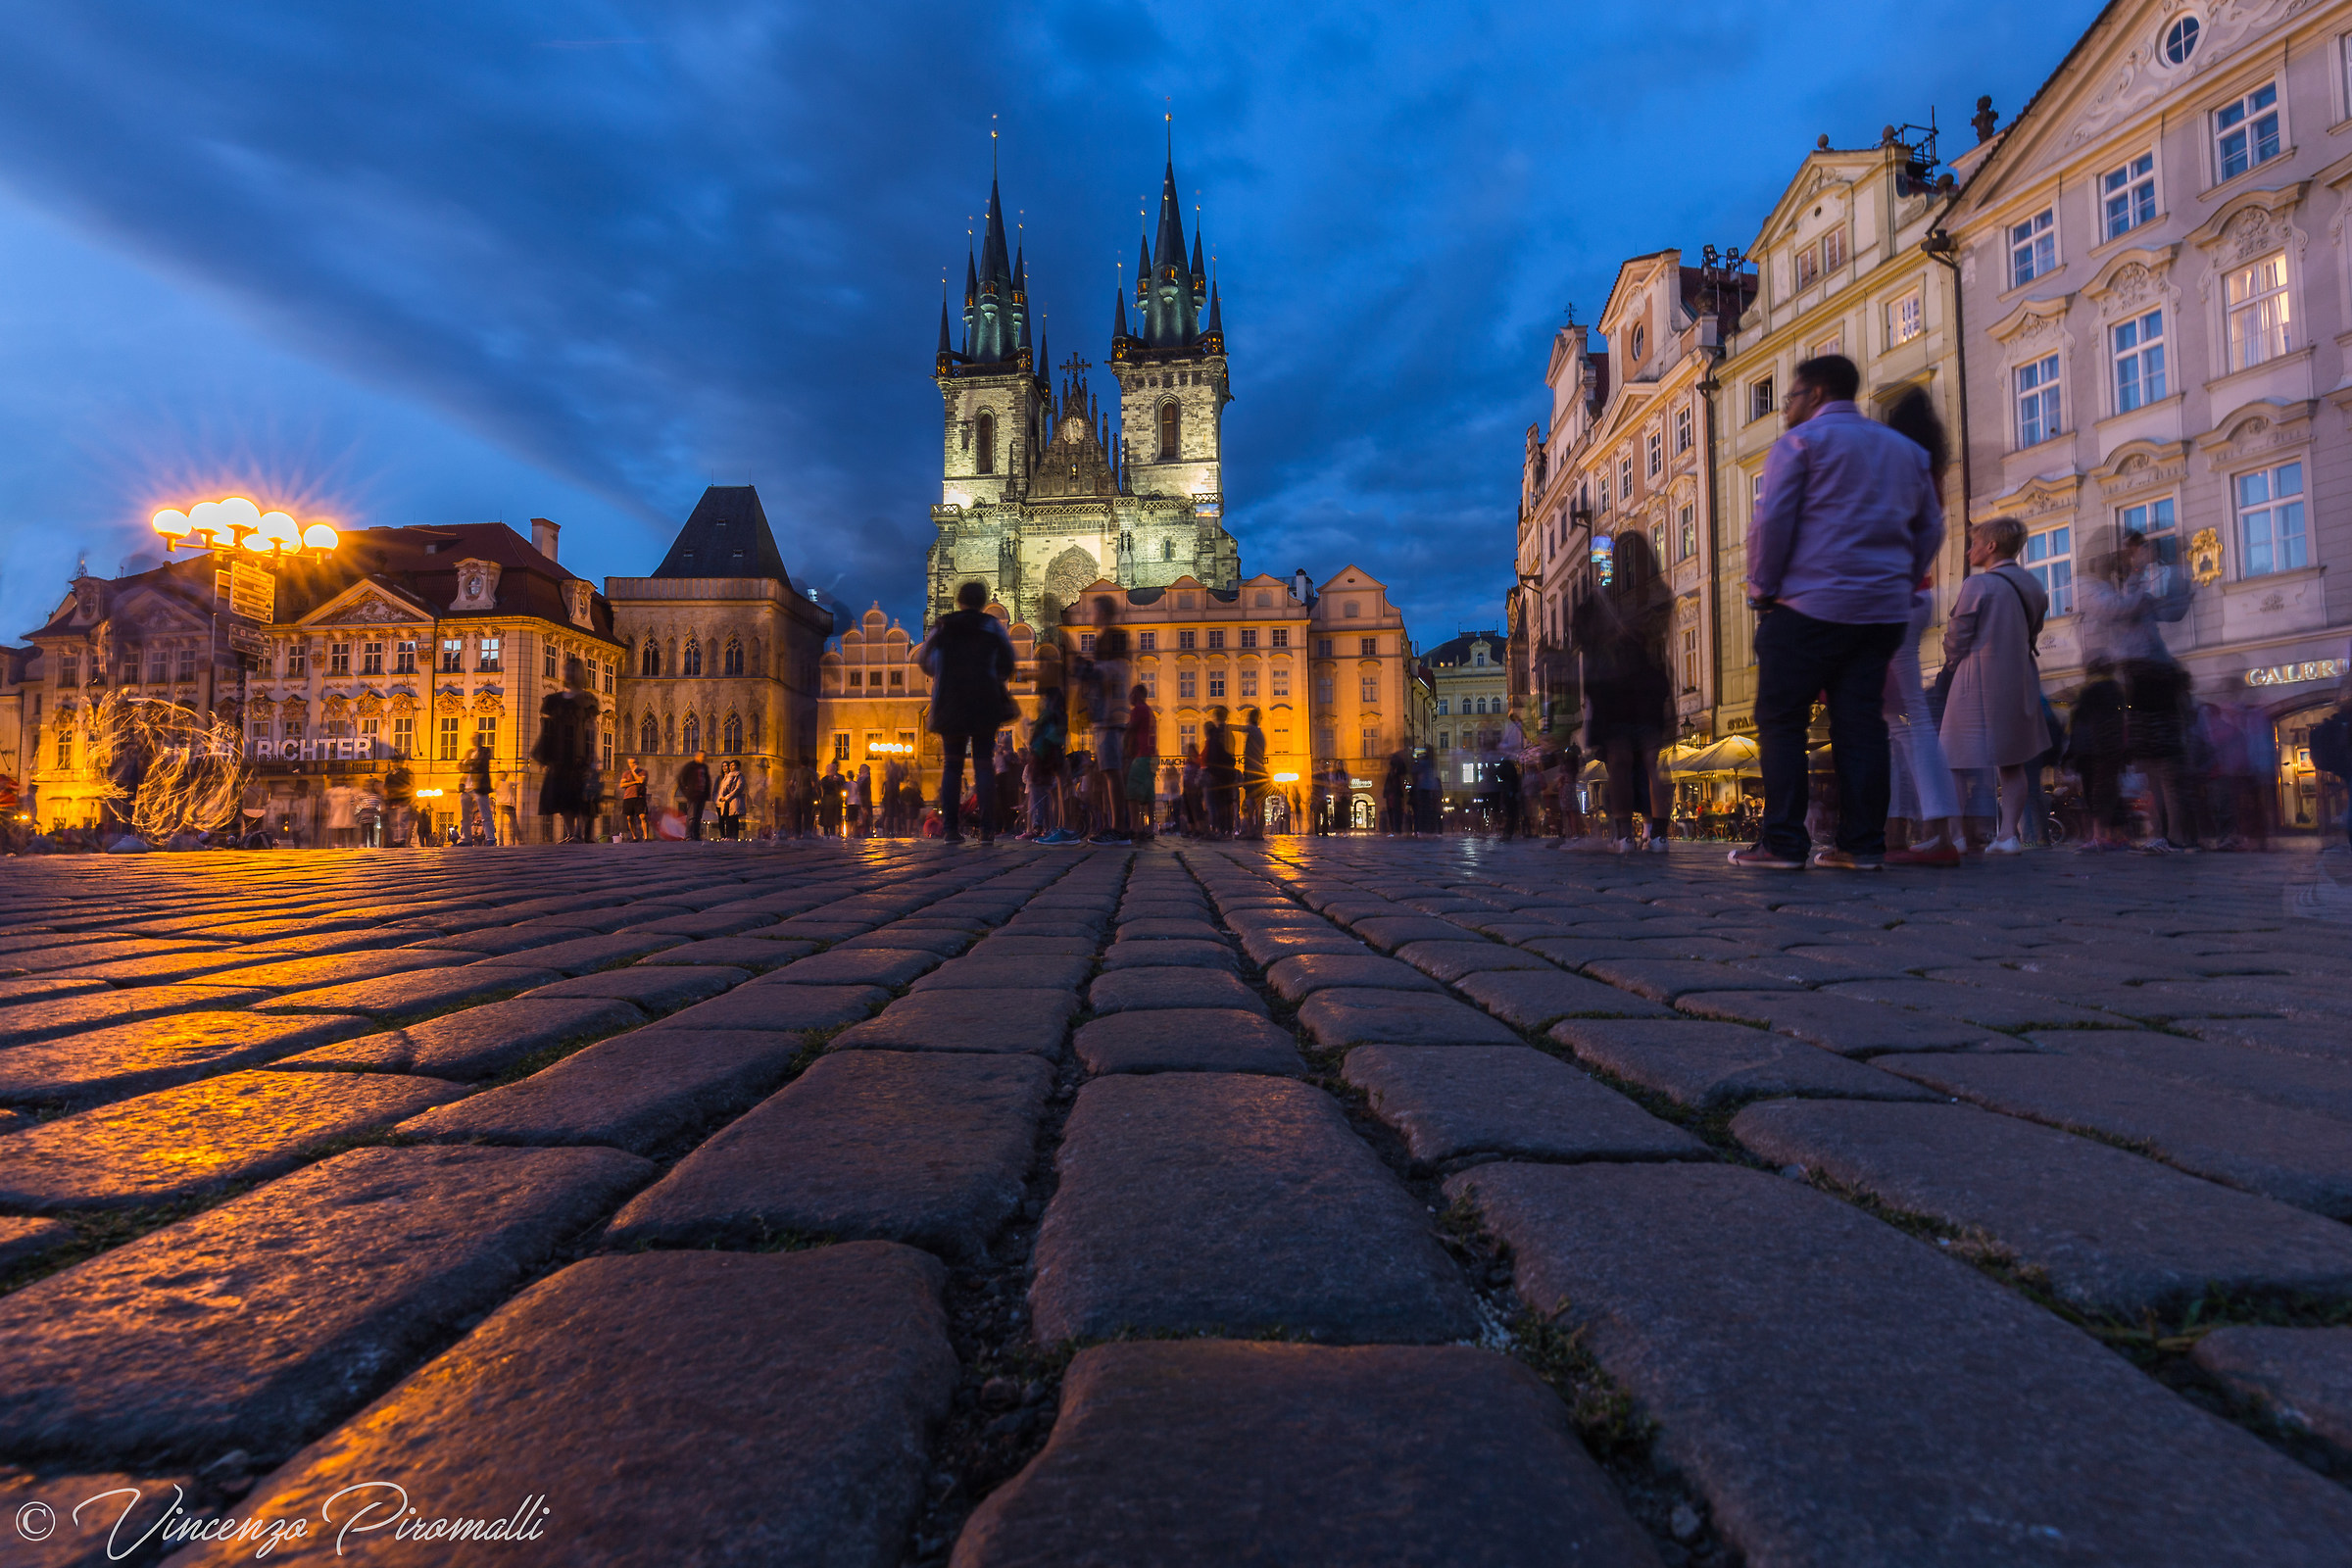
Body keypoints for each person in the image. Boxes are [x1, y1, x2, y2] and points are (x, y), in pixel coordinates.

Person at [1735, 353, 1943, 871]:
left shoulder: (1800, 443)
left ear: (1816, 394)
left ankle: (1783, 844)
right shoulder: (1905, 450)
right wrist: (1900, 580)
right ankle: (1862, 845)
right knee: (1861, 724)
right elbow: (1931, 527)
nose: (1786, 409)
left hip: (1808, 605)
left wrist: (1762, 589)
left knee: (1782, 720)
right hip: (1880, 613)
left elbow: (1772, 522)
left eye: (1790, 398)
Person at [1876, 387, 1966, 866]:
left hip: (1895, 597)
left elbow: (1919, 530)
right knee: (1895, 720)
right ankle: (1901, 829)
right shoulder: (1929, 469)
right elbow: (1933, 530)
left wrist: (1897, 579)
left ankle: (1938, 831)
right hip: (1912, 593)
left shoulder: (1900, 467)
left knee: (1908, 716)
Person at [1937, 517, 2049, 855]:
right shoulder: (2033, 585)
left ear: (1991, 546)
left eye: (1974, 543)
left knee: (1952, 760)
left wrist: (1952, 661)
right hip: (2019, 677)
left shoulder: (1978, 584)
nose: (1969, 550)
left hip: (1976, 678)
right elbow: (2034, 630)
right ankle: (2008, 836)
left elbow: (1958, 633)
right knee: (2012, 761)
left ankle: (1955, 836)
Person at [2079, 532, 2195, 851]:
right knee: (2153, 760)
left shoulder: (2129, 586)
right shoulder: (2101, 588)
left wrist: (2175, 566)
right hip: (2138, 674)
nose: (2125, 557)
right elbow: (2119, 610)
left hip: (2152, 673)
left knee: (2163, 760)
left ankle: (2175, 836)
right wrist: (2139, 571)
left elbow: (2172, 611)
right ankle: (2165, 834)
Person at [918, 579, 1017, 845]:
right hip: (984, 700)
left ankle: (951, 830)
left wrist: (943, 673)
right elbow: (1008, 661)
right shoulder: (991, 625)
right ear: (982, 602)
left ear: (959, 600)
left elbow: (924, 660)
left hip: (950, 700)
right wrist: (992, 676)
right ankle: (987, 830)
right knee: (983, 764)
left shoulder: (944, 625)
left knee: (952, 766)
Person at [1080, 596, 1131, 844]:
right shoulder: (1106, 637)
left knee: (1112, 772)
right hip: (1106, 715)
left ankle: (1119, 828)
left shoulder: (1114, 637)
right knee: (1108, 773)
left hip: (1111, 715)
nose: (1090, 615)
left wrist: (1090, 670)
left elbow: (1117, 672)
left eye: (1093, 610)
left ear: (1102, 612)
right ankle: (1114, 826)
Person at [2064, 662, 2132, 850]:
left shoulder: (2089, 692)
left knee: (2095, 793)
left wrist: (2070, 754)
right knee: (2112, 791)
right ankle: (2118, 835)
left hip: (2091, 750)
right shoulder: (2116, 690)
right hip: (2110, 749)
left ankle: (2099, 836)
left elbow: (2080, 727)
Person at [534, 656, 601, 843]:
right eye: (566, 669)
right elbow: (548, 728)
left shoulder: (587, 699)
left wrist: (592, 753)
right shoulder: (554, 700)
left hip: (579, 752)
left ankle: (578, 833)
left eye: (572, 670)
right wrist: (545, 753)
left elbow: (591, 727)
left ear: (580, 674)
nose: (568, 673)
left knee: (581, 795)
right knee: (562, 795)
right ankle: (571, 833)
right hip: (560, 752)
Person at [1126, 683, 1159, 838]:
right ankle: (1150, 828)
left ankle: (1135, 827)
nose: (1130, 697)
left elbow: (1130, 729)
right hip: (1152, 756)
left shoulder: (1138, 709)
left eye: (1132, 693)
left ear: (1138, 694)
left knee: (1132, 791)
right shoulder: (1149, 711)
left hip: (1142, 755)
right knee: (1148, 794)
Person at [1238, 707, 1269, 839]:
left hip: (1252, 771)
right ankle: (1259, 833)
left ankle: (1251, 831)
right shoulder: (1260, 733)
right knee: (1260, 804)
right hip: (1261, 771)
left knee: (1251, 803)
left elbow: (1240, 728)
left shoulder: (1252, 729)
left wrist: (1225, 726)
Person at [460, 742, 497, 845]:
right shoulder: (469, 752)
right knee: (465, 816)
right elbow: (461, 767)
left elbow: (480, 765)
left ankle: (490, 838)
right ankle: (466, 839)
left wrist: (468, 763)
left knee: (485, 813)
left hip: (479, 786)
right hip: (466, 787)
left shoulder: (485, 751)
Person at [676, 750, 711, 841]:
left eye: (705, 757)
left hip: (701, 795)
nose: (704, 759)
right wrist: (686, 791)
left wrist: (707, 793)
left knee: (698, 816)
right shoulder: (690, 766)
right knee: (691, 816)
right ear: (697, 756)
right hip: (693, 794)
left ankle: (696, 835)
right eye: (702, 757)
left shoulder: (704, 767)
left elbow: (707, 781)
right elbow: (681, 778)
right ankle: (688, 835)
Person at [616, 757, 650, 841]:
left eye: (634, 762)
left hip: (640, 797)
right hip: (628, 797)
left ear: (637, 763)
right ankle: (634, 837)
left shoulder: (643, 772)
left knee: (642, 816)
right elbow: (622, 785)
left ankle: (646, 837)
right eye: (631, 763)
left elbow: (641, 781)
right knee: (629, 818)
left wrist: (634, 773)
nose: (633, 764)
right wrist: (635, 782)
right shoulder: (626, 773)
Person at [714, 760, 745, 840]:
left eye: (733, 765)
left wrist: (727, 797)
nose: (731, 767)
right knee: (728, 819)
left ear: (737, 766)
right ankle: (728, 836)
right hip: (726, 801)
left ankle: (733, 836)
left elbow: (738, 788)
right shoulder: (727, 776)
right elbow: (723, 788)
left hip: (734, 800)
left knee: (734, 818)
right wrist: (721, 797)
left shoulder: (739, 776)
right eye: (730, 765)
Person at [323, 778, 357, 850]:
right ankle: (338, 845)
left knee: (347, 829)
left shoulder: (350, 791)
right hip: (337, 814)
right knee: (338, 830)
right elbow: (326, 803)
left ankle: (348, 844)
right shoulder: (330, 792)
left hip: (346, 814)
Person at [818, 761, 847, 837]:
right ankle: (826, 833)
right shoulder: (824, 779)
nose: (830, 771)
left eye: (831, 770)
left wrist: (836, 781)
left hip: (835, 801)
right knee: (826, 819)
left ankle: (833, 833)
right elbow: (823, 787)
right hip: (826, 801)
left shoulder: (840, 778)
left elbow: (843, 786)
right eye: (828, 770)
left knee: (833, 819)